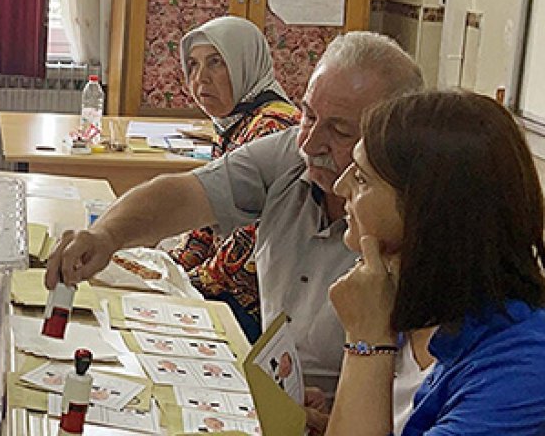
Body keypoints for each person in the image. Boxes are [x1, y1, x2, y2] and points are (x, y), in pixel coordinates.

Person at [46, 31, 424, 397]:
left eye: (340, 131)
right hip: (275, 388)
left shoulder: (407, 227)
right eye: (308, 116)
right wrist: (106, 236)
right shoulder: (290, 155)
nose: (310, 142)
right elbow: (185, 193)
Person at [325, 90, 545, 436]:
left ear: (429, 209)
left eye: (361, 179)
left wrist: (366, 342)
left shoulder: (532, 373)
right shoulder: (420, 302)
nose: (340, 187)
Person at [165, 16, 299, 341]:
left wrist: (189, 284)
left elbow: (248, 245)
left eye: (216, 63)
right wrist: (169, 268)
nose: (200, 80)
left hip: (256, 306)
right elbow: (209, 213)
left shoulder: (273, 126)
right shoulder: (235, 120)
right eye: (193, 66)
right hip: (227, 290)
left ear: (244, 64)